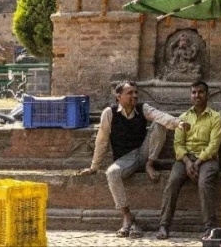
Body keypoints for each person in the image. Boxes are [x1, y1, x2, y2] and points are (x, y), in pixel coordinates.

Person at [79, 80, 190, 239]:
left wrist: (178, 123)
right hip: (126, 159)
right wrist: (94, 167)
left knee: (159, 124)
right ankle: (127, 216)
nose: (135, 95)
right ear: (119, 96)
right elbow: (101, 141)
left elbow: (160, 116)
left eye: (136, 92)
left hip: (144, 153)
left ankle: (150, 165)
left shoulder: (142, 108)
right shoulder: (109, 113)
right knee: (112, 173)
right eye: (130, 93)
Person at [156, 81, 221, 240]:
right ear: (190, 95)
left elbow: (214, 145)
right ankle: (164, 225)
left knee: (204, 183)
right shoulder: (183, 118)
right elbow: (178, 144)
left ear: (207, 95)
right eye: (193, 92)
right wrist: (187, 162)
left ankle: (210, 227)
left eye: (200, 92)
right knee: (172, 182)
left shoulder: (215, 117)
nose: (197, 95)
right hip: (185, 159)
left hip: (207, 159)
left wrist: (197, 162)